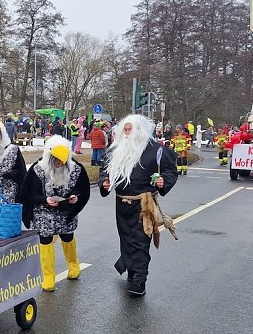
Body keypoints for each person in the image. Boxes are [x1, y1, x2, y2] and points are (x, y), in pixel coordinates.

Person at [98, 114, 178, 295]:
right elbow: (104, 171)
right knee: (126, 239)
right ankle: (132, 271)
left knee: (141, 240)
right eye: (124, 130)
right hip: (122, 203)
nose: (126, 133)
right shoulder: (116, 149)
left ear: (139, 131)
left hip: (144, 203)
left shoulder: (154, 150)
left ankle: (140, 279)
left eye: (129, 130)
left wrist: (163, 181)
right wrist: (105, 181)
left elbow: (169, 170)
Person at [20, 136, 91, 292]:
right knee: (45, 240)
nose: (60, 164)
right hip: (44, 212)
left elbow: (82, 189)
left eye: (63, 162)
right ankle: (48, 276)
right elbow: (29, 194)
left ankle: (74, 266)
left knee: (67, 236)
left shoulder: (76, 169)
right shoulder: (38, 169)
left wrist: (75, 197)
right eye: (57, 161)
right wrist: (45, 199)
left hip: (66, 211)